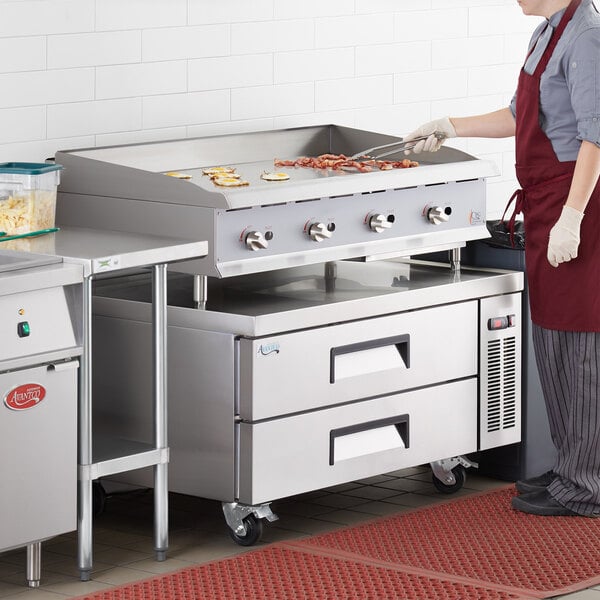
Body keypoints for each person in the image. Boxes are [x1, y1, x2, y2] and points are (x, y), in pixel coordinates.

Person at [403, 0, 600, 517]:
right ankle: (571, 469)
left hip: (577, 202)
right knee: (554, 334)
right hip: (546, 201)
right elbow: (519, 115)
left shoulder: (587, 37)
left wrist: (574, 215)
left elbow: (596, 138)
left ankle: (588, 484)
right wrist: (450, 125)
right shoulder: (548, 33)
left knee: (581, 339)